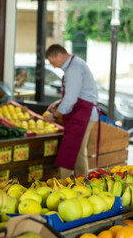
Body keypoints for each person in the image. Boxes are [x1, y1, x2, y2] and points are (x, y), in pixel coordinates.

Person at [43, 44, 100, 179]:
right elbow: (76, 93)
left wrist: (55, 116)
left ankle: (67, 184)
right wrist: (59, 102)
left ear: (60, 55)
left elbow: (70, 99)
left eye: (53, 62)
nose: (54, 66)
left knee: (69, 149)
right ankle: (81, 181)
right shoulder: (74, 65)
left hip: (84, 114)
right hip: (80, 112)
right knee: (78, 151)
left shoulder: (74, 68)